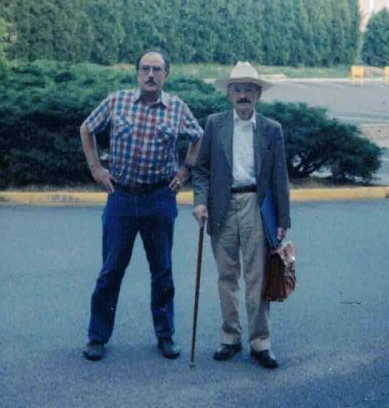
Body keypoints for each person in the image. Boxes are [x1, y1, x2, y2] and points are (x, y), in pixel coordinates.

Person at [80, 48, 203, 362]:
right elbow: (87, 128)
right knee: (111, 271)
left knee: (162, 271)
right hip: (121, 197)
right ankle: (97, 337)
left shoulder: (176, 108)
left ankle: (165, 336)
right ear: (137, 73)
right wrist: (96, 168)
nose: (151, 75)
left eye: (157, 70)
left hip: (159, 198)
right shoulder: (116, 101)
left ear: (166, 75)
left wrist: (186, 170)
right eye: (145, 69)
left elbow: (198, 137)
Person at [192, 61, 291, 369]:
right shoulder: (214, 123)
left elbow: (279, 178)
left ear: (258, 95)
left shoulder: (272, 130)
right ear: (229, 94)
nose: (243, 95)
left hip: (255, 206)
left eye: (250, 89)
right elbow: (202, 169)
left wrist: (282, 221)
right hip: (222, 206)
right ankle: (230, 337)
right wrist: (200, 201)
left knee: (257, 276)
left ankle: (260, 341)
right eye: (238, 89)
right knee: (226, 275)